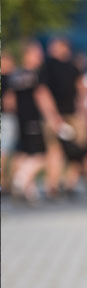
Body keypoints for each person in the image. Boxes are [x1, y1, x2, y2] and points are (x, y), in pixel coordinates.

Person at [6, 41, 64, 203]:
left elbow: (9, 101)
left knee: (24, 153)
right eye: (36, 53)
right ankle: (20, 180)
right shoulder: (37, 75)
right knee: (40, 156)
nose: (40, 56)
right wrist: (54, 117)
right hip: (33, 119)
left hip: (20, 120)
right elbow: (43, 97)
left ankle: (29, 192)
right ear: (28, 55)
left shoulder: (15, 75)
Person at [39, 37, 87, 198]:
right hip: (57, 115)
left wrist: (82, 113)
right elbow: (43, 93)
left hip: (70, 115)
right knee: (56, 151)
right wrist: (53, 117)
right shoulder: (47, 66)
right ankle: (52, 186)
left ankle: (68, 184)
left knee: (78, 150)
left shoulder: (72, 67)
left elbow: (82, 90)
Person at [1, 51, 19, 194]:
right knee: (7, 151)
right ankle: (5, 182)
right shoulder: (9, 80)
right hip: (7, 118)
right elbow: (9, 102)